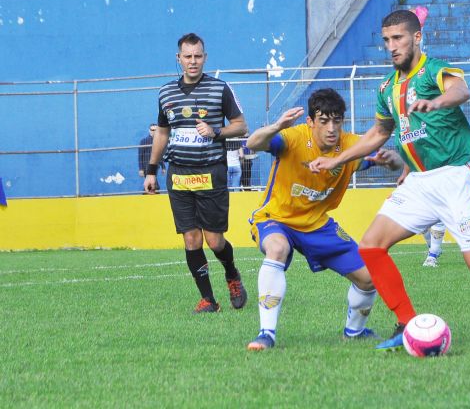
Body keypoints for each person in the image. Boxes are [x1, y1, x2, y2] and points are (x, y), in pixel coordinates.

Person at [308, 9, 470, 351]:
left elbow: (461, 91)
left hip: (457, 177)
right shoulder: (387, 87)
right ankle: (404, 322)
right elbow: (378, 133)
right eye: (386, 40)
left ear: (417, 37)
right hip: (418, 181)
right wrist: (336, 159)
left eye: (398, 38)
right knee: (371, 245)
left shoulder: (434, 70)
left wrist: (438, 101)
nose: (391, 46)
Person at [244, 89, 404, 350]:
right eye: (324, 121)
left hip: (317, 224)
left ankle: (354, 332)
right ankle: (266, 334)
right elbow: (253, 143)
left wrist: (391, 160)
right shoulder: (292, 138)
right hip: (277, 218)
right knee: (277, 248)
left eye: (337, 121)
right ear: (310, 122)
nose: (332, 128)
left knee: (368, 277)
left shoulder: (351, 145)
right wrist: (276, 126)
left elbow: (395, 164)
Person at [144, 33, 249, 314]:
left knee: (214, 240)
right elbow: (162, 133)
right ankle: (208, 300)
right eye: (187, 56)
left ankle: (232, 274)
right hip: (178, 175)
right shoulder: (166, 93)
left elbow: (241, 126)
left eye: (198, 56)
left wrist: (216, 131)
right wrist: (151, 171)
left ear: (205, 57)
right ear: (178, 59)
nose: (193, 61)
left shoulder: (219, 89)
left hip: (211, 173)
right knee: (191, 239)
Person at [138, 123, 165, 190]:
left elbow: (159, 155)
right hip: (146, 166)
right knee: (154, 185)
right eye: (152, 130)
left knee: (150, 185)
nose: (154, 131)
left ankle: (146, 195)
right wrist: (141, 169)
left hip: (155, 166)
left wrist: (163, 167)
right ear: (149, 130)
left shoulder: (159, 141)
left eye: (156, 130)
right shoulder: (143, 141)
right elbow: (140, 156)